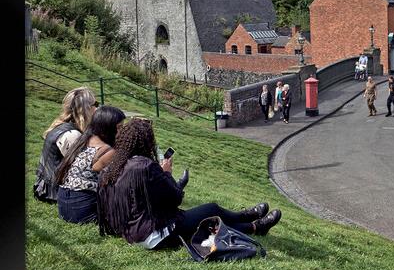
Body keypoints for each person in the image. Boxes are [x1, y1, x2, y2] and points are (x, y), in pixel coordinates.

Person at [97, 119, 281, 250]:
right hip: (153, 235)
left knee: (204, 223)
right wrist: (166, 173)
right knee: (211, 210)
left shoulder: (112, 169)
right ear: (145, 143)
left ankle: (255, 225)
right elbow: (175, 198)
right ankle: (248, 218)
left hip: (130, 233)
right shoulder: (144, 167)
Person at [55, 106, 126, 224]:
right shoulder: (107, 150)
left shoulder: (82, 141)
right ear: (107, 127)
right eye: (119, 127)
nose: (122, 131)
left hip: (64, 205)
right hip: (82, 210)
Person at [34, 87, 99, 202]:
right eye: (95, 104)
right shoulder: (71, 135)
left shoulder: (65, 126)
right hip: (53, 190)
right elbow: (84, 167)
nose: (97, 108)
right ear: (86, 109)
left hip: (48, 183)